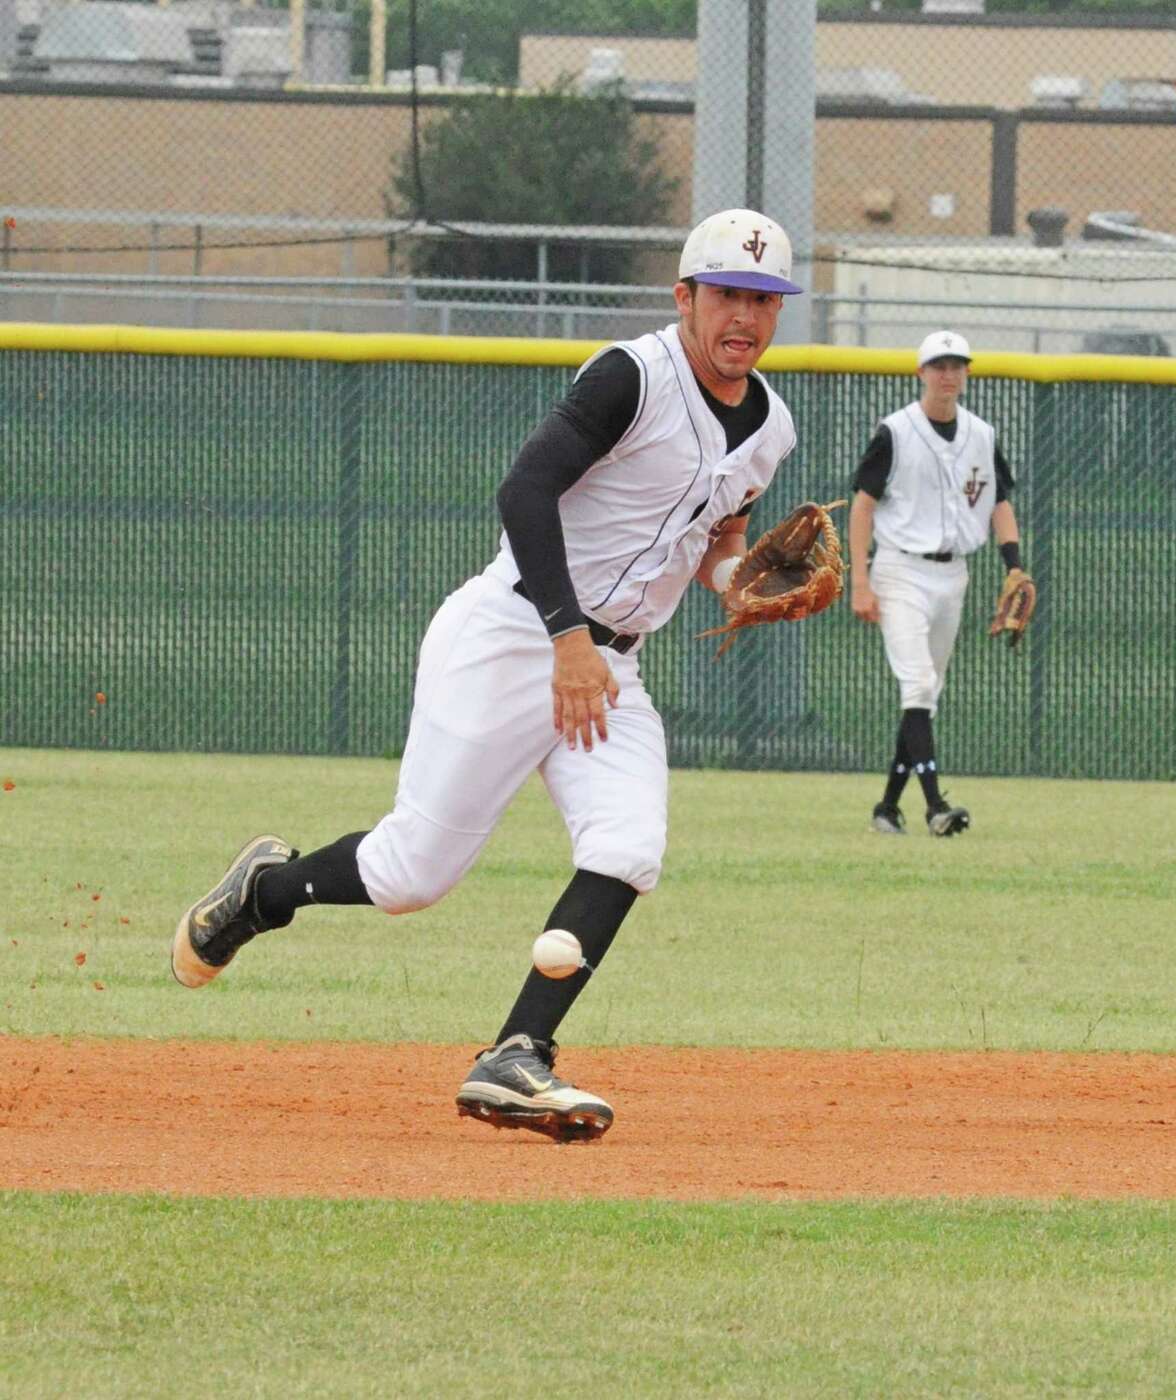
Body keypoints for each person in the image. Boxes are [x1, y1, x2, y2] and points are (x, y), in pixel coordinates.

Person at [171, 208, 802, 1141]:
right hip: (514, 636)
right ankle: (258, 895)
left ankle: (517, 1055)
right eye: (727, 295)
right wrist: (564, 638)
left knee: (628, 846)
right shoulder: (633, 377)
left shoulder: (772, 426)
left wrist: (737, 580)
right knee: (410, 873)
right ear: (686, 297)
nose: (744, 316)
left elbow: (723, 536)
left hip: (612, 663)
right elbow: (525, 489)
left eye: (763, 298)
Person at [848, 329, 1027, 838]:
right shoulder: (896, 432)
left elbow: (1000, 503)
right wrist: (859, 581)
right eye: (938, 365)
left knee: (925, 694)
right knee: (918, 683)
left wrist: (1013, 564)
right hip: (900, 569)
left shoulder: (983, 435)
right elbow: (862, 505)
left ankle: (887, 807)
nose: (948, 374)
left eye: (957, 365)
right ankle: (935, 808)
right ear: (921, 373)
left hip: (954, 574)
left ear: (966, 374)